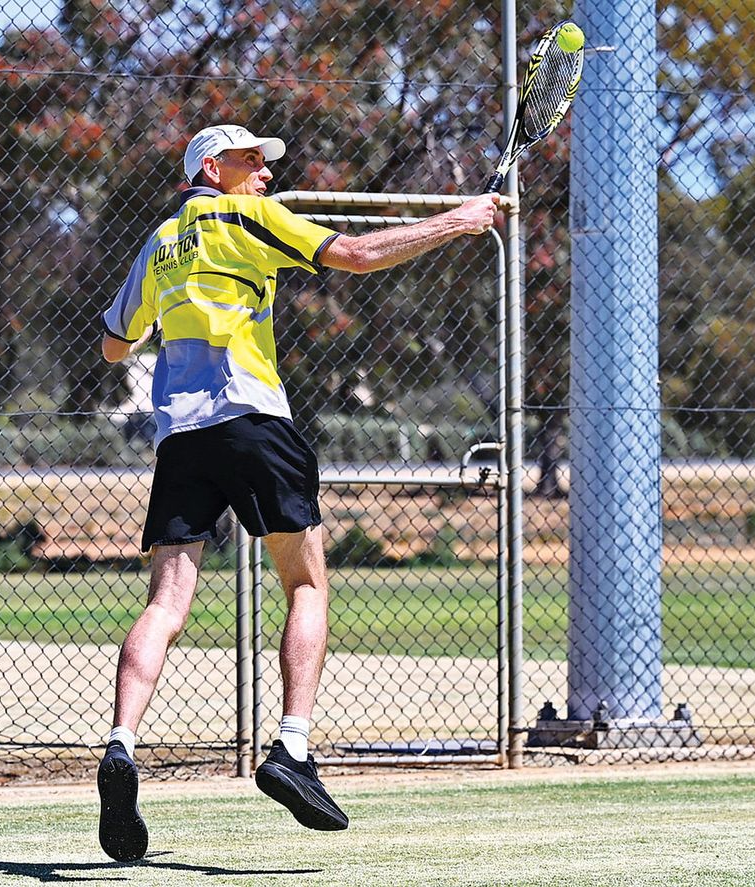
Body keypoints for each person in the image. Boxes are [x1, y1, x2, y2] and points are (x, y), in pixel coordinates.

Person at [96, 123, 499, 862]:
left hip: (181, 439)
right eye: (252, 162)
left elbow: (114, 343)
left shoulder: (160, 241)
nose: (264, 174)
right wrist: (460, 219)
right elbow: (356, 256)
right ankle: (291, 747)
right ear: (210, 168)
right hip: (255, 420)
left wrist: (168, 313)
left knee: (165, 604)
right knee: (307, 582)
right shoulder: (249, 216)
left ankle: (120, 745)